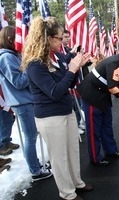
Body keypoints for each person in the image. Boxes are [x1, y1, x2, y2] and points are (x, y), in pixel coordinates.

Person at [22, 16, 92, 200]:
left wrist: (77, 68)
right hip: (49, 117)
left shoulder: (58, 56)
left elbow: (69, 84)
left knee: (72, 150)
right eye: (60, 38)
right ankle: (67, 193)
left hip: (66, 110)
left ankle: (76, 182)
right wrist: (71, 69)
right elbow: (54, 91)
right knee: (59, 157)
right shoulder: (35, 65)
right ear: (47, 38)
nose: (63, 42)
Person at [77, 42, 119, 166]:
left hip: (102, 94)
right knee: (94, 130)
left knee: (106, 125)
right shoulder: (117, 62)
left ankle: (111, 151)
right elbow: (113, 87)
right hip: (92, 95)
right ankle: (95, 158)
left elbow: (112, 85)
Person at [0, 26, 52, 182]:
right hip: (22, 102)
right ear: (10, 39)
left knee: (32, 136)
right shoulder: (5, 57)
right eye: (18, 37)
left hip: (27, 100)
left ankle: (36, 165)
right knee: (30, 138)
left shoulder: (12, 55)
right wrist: (30, 68)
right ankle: (35, 171)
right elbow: (18, 82)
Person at [0, 85, 16, 156]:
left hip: (4, 98)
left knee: (7, 121)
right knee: (2, 122)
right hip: (2, 101)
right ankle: (1, 147)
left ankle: (6, 142)